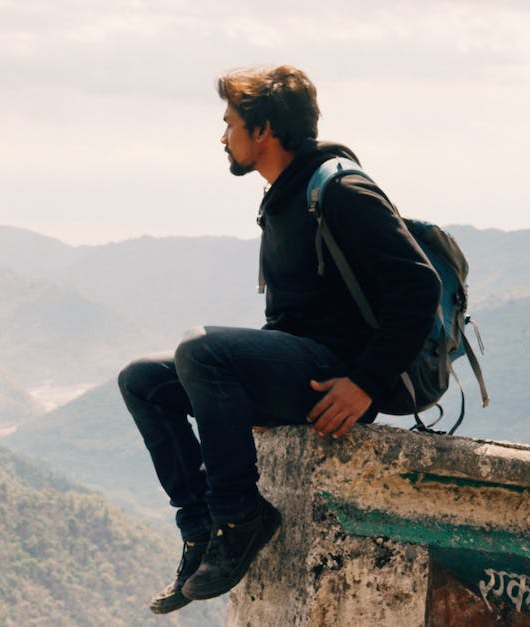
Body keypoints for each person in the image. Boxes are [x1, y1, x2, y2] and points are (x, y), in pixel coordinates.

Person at [117, 65, 441, 614]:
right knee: (144, 379)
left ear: (263, 130)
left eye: (230, 124)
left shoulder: (340, 189)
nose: (223, 138)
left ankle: (242, 516)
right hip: (302, 364)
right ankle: (199, 533)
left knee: (200, 347)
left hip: (342, 376)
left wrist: (365, 382)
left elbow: (419, 283)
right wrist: (246, 388)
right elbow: (294, 317)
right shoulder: (283, 199)